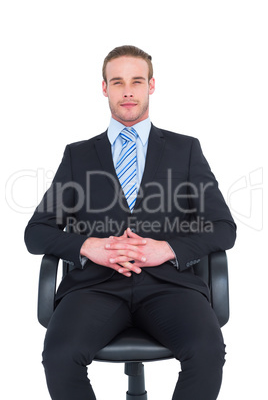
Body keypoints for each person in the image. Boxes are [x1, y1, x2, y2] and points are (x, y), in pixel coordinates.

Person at [25, 45, 236, 400]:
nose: (127, 91)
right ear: (104, 88)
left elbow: (223, 227)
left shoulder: (184, 151)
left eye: (136, 81)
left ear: (151, 86)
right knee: (60, 356)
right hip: (95, 288)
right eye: (117, 81)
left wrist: (167, 249)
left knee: (206, 352)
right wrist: (87, 247)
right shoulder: (78, 156)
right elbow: (36, 233)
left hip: (170, 284)